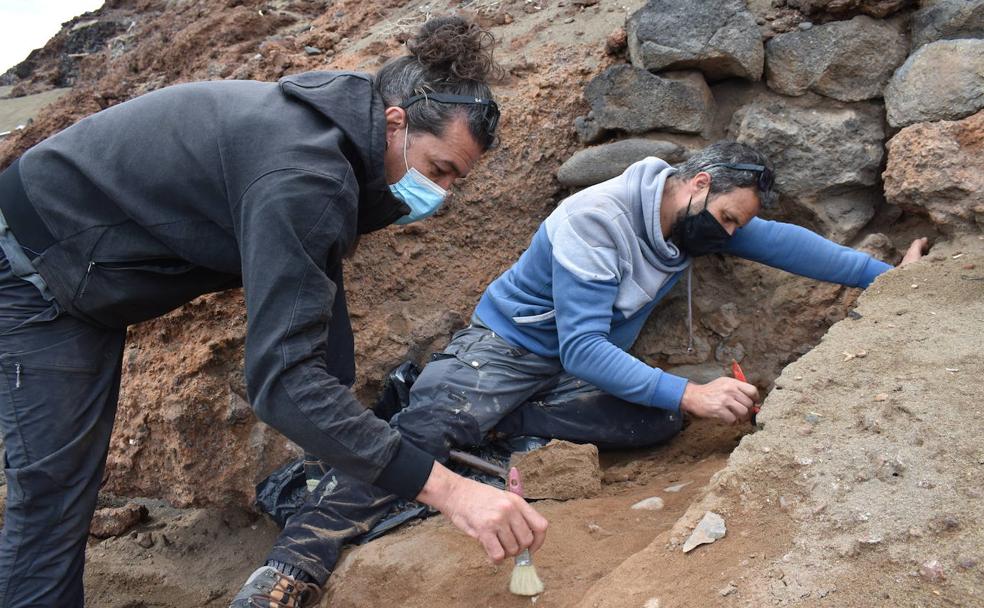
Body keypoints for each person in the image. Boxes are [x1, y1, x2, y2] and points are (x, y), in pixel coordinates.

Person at [0, 16, 547, 608]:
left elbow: (314, 308)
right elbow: (283, 379)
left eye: (455, 181)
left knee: (65, 483)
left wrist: (344, 439)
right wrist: (451, 491)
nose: (440, 194)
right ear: (396, 124)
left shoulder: (338, 135)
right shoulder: (305, 175)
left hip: (88, 269)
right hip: (32, 266)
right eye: (439, 170)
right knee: (54, 490)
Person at [242, 141, 930, 604]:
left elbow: (788, 246)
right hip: (505, 351)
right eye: (723, 218)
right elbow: (583, 350)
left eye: (734, 227)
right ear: (695, 185)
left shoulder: (699, 221)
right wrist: (692, 390)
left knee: (657, 416)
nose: (727, 235)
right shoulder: (594, 220)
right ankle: (292, 568)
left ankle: (497, 426)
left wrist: (890, 281)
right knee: (428, 430)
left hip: (560, 375)